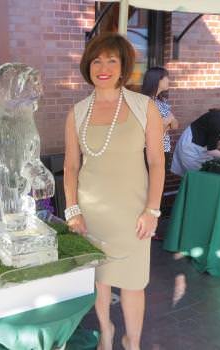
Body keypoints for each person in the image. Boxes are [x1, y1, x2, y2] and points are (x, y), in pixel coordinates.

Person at [64, 32, 164, 350]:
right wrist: (72, 209)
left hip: (134, 215)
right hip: (91, 214)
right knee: (101, 279)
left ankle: (132, 342)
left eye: (111, 60)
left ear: (123, 67)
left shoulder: (144, 107)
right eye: (96, 60)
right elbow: (70, 167)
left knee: (134, 283)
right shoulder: (76, 112)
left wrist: (152, 210)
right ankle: (105, 331)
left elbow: (157, 162)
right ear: (88, 66)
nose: (103, 67)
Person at [171, 106, 220, 176]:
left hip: (203, 149)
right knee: (198, 177)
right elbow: (211, 150)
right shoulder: (217, 120)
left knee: (206, 177)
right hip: (190, 147)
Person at [141, 66, 179, 153]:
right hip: (151, 151)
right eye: (167, 78)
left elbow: (175, 126)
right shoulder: (145, 103)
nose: (169, 81)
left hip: (164, 148)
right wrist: (167, 121)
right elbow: (153, 134)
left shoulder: (162, 101)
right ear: (157, 80)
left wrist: (165, 123)